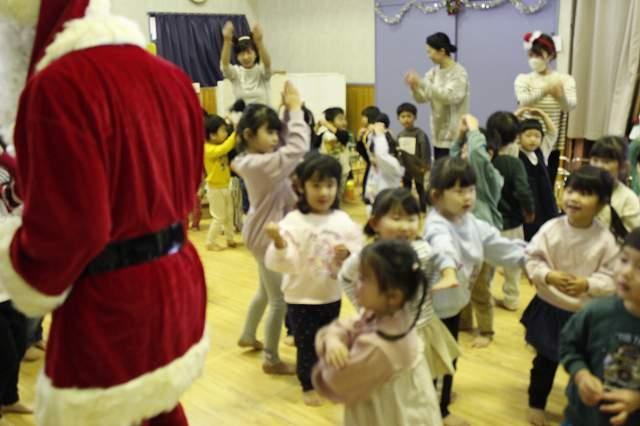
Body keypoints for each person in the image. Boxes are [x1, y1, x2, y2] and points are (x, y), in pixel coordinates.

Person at [0, 1, 208, 425]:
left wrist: (17, 259)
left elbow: (73, 230)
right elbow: (184, 185)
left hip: (110, 301)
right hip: (178, 280)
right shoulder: (169, 75)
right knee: (159, 407)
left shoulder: (58, 85)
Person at [424, 156, 526, 426]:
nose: (468, 196)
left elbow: (499, 246)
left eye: (471, 189)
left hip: (451, 306)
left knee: (447, 358)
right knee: (438, 361)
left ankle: (438, 399)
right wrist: (448, 269)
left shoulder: (469, 221)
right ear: (436, 196)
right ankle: (438, 412)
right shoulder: (436, 224)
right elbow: (442, 247)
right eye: (459, 191)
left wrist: (535, 260)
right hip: (432, 313)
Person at [522, 165, 620, 426]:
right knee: (544, 362)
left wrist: (588, 284)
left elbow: (612, 278)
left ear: (601, 204)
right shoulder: (550, 228)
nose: (574, 198)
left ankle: (578, 408)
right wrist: (547, 275)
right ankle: (536, 403)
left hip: (584, 315)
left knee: (584, 366)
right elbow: (531, 258)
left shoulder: (605, 239)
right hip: (549, 308)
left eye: (585, 194)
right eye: (571, 190)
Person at [264, 154, 363, 406]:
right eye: (316, 185)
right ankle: (308, 384)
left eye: (330, 185)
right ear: (302, 187)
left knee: (329, 339)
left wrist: (348, 254)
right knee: (307, 345)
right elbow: (282, 261)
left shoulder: (341, 219)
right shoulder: (293, 221)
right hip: (301, 298)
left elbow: (358, 251)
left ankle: (326, 377)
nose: (324, 192)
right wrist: (279, 241)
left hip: (330, 294)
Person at [312, 240, 443, 426]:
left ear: (394, 296)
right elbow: (348, 325)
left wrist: (327, 342)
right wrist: (333, 339)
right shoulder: (394, 313)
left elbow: (335, 380)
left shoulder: (378, 347)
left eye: (363, 278)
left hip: (384, 415)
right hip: (410, 406)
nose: (355, 282)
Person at [339, 187, 460, 385]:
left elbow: (435, 276)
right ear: (375, 223)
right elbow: (345, 277)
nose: (405, 226)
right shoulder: (368, 255)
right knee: (391, 383)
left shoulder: (424, 250)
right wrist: (362, 307)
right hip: (384, 332)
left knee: (424, 381)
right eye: (396, 218)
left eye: (411, 219)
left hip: (421, 329)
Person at [231, 82, 308, 375]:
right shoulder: (261, 164)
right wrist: (296, 110)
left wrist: (285, 113)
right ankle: (271, 359)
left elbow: (286, 145)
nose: (276, 137)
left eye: (277, 131)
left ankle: (248, 334)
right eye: (270, 132)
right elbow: (297, 148)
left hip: (261, 232)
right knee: (280, 301)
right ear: (249, 135)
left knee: (265, 291)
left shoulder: (256, 159)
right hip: (267, 237)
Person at [559, 228, 640, 426]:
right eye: (624, 260)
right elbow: (569, 346)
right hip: (580, 418)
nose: (626, 272)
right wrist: (581, 375)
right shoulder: (595, 312)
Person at [450, 114, 504, 347]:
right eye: (464, 150)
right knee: (460, 284)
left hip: (482, 245)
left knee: (480, 290)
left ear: (489, 153)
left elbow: (477, 157)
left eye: (468, 149)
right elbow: (454, 159)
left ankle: (486, 332)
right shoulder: (462, 177)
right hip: (460, 241)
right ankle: (463, 323)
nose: (465, 154)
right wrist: (460, 136)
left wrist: (473, 131)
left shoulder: (490, 177)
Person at [515, 31, 577, 184]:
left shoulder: (564, 79)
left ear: (550, 55)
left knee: (546, 182)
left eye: (539, 55)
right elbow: (523, 101)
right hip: (525, 142)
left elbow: (569, 106)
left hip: (552, 142)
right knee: (525, 181)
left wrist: (560, 96)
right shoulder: (524, 79)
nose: (534, 59)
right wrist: (545, 90)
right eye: (531, 55)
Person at [489, 111, 535, 311]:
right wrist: (529, 210)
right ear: (516, 136)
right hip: (512, 223)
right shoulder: (514, 163)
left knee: (486, 264)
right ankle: (512, 299)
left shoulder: (484, 159)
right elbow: (523, 190)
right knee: (513, 264)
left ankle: (484, 297)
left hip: (488, 221)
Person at [405, 32, 470, 159]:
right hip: (438, 135)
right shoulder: (433, 72)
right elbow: (422, 98)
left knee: (452, 170)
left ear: (442, 51)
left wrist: (421, 82)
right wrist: (414, 87)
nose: (428, 56)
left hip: (455, 136)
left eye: (430, 52)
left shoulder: (459, 72)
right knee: (440, 169)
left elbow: (449, 97)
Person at [516, 109, 559, 241]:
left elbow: (552, 133)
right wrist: (516, 115)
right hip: (527, 204)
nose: (533, 140)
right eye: (528, 135)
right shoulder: (515, 152)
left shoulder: (541, 152)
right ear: (519, 137)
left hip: (545, 203)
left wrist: (543, 114)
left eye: (537, 136)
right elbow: (506, 133)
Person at [589, 136, 640, 236]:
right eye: (595, 160)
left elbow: (634, 238)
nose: (599, 166)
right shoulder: (582, 189)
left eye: (606, 161)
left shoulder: (627, 198)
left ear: (623, 166)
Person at [203, 114, 238, 250]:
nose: (225, 133)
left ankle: (230, 238)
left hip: (225, 185)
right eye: (223, 130)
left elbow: (225, 147)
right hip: (215, 189)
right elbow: (224, 148)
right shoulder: (207, 148)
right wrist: (236, 132)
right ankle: (210, 242)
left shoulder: (218, 145)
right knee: (219, 217)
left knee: (229, 214)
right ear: (212, 135)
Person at [220, 21, 271, 106]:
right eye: (242, 54)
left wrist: (260, 42)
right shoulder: (236, 73)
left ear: (255, 54)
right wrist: (226, 41)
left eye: (249, 52)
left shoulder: (261, 71)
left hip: (262, 113)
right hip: (242, 114)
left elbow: (267, 64)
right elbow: (224, 65)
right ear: (237, 57)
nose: (246, 57)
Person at [396, 102, 431, 211]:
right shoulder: (400, 135)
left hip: (418, 168)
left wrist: (424, 166)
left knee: (421, 189)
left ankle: (423, 209)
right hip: (405, 168)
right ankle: (408, 209)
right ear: (398, 118)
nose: (406, 119)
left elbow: (425, 151)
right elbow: (398, 153)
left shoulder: (420, 134)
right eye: (403, 116)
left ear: (414, 117)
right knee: (406, 190)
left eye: (409, 116)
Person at [364, 117, 405, 205]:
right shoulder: (374, 166)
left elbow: (382, 155)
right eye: (372, 154)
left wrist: (380, 135)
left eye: (374, 155)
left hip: (388, 207)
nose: (372, 158)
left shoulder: (391, 165)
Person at [316, 107, 353, 198]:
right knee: (328, 192)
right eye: (340, 119)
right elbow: (313, 143)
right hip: (327, 169)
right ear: (331, 121)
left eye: (344, 119)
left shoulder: (344, 134)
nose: (344, 122)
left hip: (343, 170)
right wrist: (317, 128)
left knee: (338, 193)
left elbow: (342, 137)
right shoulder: (324, 135)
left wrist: (326, 124)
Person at [355, 105, 380, 201]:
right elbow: (363, 153)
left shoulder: (376, 130)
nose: (362, 119)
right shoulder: (365, 131)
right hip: (371, 163)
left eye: (363, 117)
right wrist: (359, 139)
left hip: (377, 164)